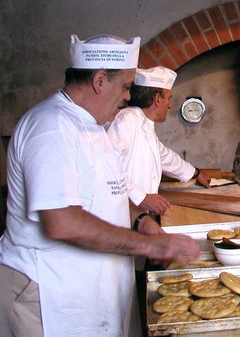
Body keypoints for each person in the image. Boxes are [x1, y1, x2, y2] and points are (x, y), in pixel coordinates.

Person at [0, 34, 200, 337]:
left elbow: (108, 196)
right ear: (99, 80)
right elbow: (62, 222)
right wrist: (150, 245)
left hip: (89, 290)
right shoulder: (52, 126)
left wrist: (141, 221)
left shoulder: (93, 126)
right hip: (49, 296)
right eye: (125, 86)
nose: (129, 97)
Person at [107, 66, 211, 215]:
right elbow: (110, 167)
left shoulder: (144, 124)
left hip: (138, 214)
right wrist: (142, 197)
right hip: (122, 215)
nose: (169, 105)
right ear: (157, 99)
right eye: (168, 98)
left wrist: (196, 173)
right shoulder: (126, 120)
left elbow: (165, 156)